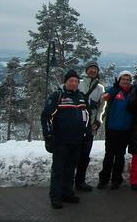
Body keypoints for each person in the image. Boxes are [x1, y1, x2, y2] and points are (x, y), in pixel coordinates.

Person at [41, 70, 88, 209]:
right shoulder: (58, 96)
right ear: (65, 82)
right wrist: (48, 135)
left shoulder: (80, 97)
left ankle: (67, 193)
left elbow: (86, 117)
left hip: (77, 141)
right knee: (58, 170)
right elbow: (46, 116)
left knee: (70, 169)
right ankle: (55, 196)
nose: (73, 83)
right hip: (61, 141)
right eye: (70, 81)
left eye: (76, 81)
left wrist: (85, 134)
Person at [97, 71, 134, 190]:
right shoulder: (113, 91)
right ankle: (104, 179)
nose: (126, 81)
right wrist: (114, 89)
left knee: (120, 156)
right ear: (119, 80)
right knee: (109, 155)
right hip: (112, 128)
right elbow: (103, 97)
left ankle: (116, 179)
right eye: (123, 79)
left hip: (126, 129)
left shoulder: (133, 92)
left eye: (128, 80)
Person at [75, 60, 106, 192]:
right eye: (91, 68)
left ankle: (80, 181)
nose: (93, 71)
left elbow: (102, 107)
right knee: (73, 154)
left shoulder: (100, 88)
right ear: (86, 70)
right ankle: (68, 180)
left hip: (90, 127)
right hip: (75, 126)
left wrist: (98, 122)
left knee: (85, 155)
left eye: (95, 69)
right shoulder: (78, 84)